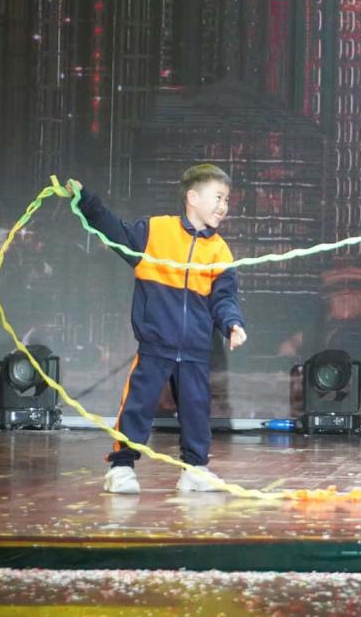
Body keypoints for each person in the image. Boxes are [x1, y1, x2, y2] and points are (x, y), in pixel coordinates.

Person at [68, 164, 247, 494]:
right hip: (156, 344)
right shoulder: (155, 231)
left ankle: (195, 469)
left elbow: (224, 297)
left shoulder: (219, 249)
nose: (224, 206)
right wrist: (85, 201)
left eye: (227, 200)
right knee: (138, 405)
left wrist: (232, 324)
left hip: (196, 350)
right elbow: (114, 230)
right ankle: (121, 467)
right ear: (193, 197)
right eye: (218, 197)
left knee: (196, 411)